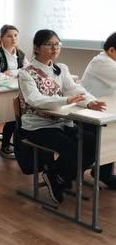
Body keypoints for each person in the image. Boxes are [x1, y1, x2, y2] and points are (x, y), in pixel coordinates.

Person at [18, 29, 106, 204]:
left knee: (93, 142)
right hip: (38, 126)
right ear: (36, 48)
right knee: (71, 148)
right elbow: (35, 100)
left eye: (57, 44)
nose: (55, 48)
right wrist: (65, 100)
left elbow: (75, 90)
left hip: (62, 122)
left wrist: (90, 102)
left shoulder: (61, 69)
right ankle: (57, 176)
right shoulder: (26, 72)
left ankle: (57, 175)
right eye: (49, 44)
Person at [81, 31, 116, 188]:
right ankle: (102, 174)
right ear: (111, 50)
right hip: (86, 115)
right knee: (110, 133)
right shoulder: (102, 62)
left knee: (112, 131)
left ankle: (102, 173)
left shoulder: (108, 60)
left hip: (100, 111)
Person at [0, 25, 29, 158]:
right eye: (9, 36)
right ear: (1, 38)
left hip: (15, 91)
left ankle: (6, 143)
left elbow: (29, 71)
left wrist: (11, 72)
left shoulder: (21, 54)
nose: (13, 39)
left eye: (15, 35)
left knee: (13, 117)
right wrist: (18, 73)